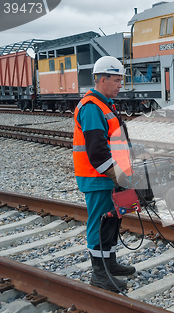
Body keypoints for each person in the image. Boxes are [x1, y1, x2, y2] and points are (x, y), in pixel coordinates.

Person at [73, 56, 136, 292]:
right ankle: (100, 275)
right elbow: (97, 152)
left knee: (112, 220)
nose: (121, 84)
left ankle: (109, 264)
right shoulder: (91, 107)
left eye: (121, 80)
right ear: (102, 79)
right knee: (100, 223)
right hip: (98, 177)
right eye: (117, 80)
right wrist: (119, 176)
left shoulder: (105, 104)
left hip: (109, 177)